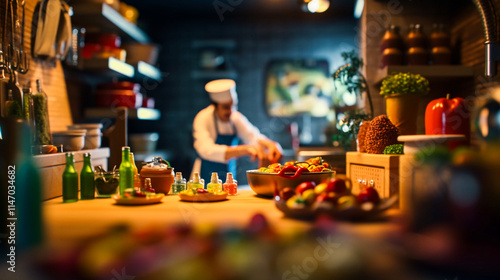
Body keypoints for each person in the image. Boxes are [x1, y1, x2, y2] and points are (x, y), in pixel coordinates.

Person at [193, 79, 282, 180]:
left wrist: (270, 144)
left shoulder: (235, 117)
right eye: (226, 107)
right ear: (215, 106)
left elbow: (253, 137)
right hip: (204, 178)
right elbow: (206, 150)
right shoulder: (203, 118)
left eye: (233, 105)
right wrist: (245, 149)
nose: (230, 111)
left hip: (228, 176)